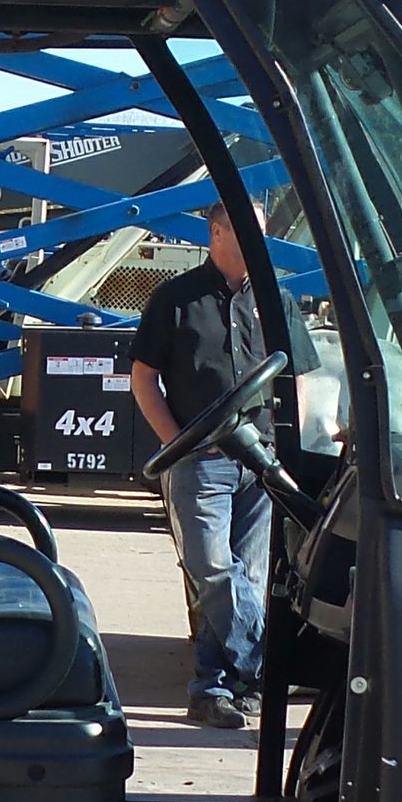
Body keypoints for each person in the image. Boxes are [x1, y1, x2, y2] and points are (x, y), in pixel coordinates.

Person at [130, 200, 312, 729]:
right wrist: (177, 443)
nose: (261, 242)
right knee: (210, 565)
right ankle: (265, 662)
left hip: (261, 460)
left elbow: (299, 379)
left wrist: (291, 445)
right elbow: (143, 379)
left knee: (247, 575)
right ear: (216, 232)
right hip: (200, 461)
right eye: (248, 231)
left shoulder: (276, 300)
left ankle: (218, 688)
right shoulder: (175, 299)